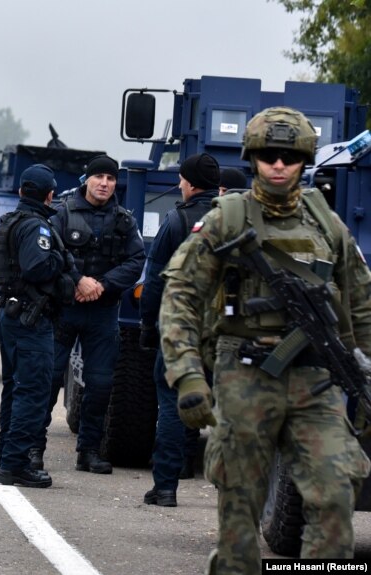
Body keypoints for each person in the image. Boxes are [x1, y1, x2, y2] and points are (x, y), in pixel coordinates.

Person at [160, 107, 371, 572]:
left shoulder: (327, 224)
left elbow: (360, 307)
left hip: (317, 380)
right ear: (253, 158)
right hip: (245, 375)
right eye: (269, 155)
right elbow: (180, 297)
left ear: (304, 160)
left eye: (290, 157)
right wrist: (189, 376)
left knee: (337, 495)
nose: (279, 165)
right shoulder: (226, 219)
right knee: (239, 510)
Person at [43, 154, 145, 473]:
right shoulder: (61, 213)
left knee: (100, 385)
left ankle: (88, 450)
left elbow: (136, 260)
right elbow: (48, 255)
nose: (104, 183)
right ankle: (33, 448)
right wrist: (77, 281)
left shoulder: (124, 220)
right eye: (99, 177)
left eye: (111, 178)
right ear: (87, 179)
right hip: (65, 309)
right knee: (48, 381)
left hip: (102, 312)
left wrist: (101, 284)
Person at [138, 152, 220, 507]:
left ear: (188, 183)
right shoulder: (235, 221)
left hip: (182, 331)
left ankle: (167, 486)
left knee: (172, 403)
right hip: (228, 332)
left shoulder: (176, 220)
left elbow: (154, 279)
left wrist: (148, 323)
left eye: (182, 180)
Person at [0, 164, 75, 489]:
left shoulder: (9, 221)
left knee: (15, 389)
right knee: (33, 393)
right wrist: (61, 260)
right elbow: (37, 267)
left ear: (22, 191)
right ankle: (15, 464)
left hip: (11, 315)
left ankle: (7, 458)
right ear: (49, 194)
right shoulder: (37, 227)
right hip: (31, 318)